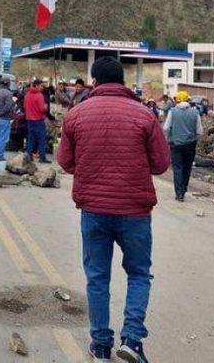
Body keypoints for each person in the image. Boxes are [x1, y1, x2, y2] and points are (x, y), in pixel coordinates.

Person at [57, 57, 170, 363]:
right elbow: (160, 164)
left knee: (97, 278)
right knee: (138, 274)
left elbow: (65, 162)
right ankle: (132, 340)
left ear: (94, 81)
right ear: (123, 82)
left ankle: (101, 347)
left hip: (94, 210)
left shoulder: (76, 115)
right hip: (135, 212)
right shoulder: (145, 115)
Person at [163, 90, 203, 202]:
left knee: (178, 168)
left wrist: (169, 137)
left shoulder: (172, 111)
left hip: (175, 144)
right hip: (190, 144)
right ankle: (184, 189)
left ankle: (179, 193)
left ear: (177, 100)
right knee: (187, 167)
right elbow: (200, 131)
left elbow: (166, 127)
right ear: (188, 100)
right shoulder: (195, 112)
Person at [24, 79, 51, 163]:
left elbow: (24, 106)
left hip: (29, 120)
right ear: (36, 85)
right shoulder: (39, 95)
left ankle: (29, 156)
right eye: (41, 86)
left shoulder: (27, 94)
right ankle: (42, 158)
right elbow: (42, 109)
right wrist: (46, 107)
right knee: (41, 139)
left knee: (30, 139)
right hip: (38, 120)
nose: (42, 87)